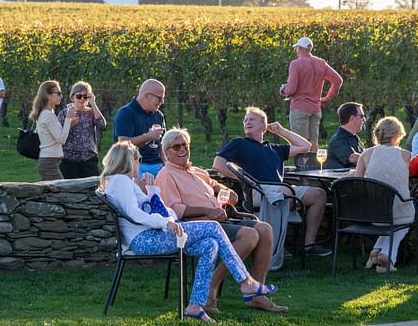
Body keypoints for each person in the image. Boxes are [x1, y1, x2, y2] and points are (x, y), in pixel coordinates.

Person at [100, 141, 280, 323]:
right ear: (128, 160)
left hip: (152, 235)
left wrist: (152, 191)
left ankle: (195, 305)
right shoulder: (121, 181)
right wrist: (165, 222)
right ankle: (246, 282)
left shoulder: (124, 182)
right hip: (144, 240)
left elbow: (158, 210)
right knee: (213, 227)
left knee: (210, 244)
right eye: (139, 159)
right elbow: (135, 214)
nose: (140, 164)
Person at [156, 128, 287, 313]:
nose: (182, 150)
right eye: (176, 147)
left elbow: (214, 185)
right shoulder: (166, 174)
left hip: (220, 220)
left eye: (184, 145)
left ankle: (256, 294)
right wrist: (208, 211)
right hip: (197, 226)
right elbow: (175, 209)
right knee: (249, 235)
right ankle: (211, 289)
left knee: (265, 229)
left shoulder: (196, 171)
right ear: (166, 152)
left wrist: (226, 191)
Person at [212, 106, 332, 256]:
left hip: (280, 189)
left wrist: (281, 131)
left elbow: (305, 146)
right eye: (245, 120)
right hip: (255, 190)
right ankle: (274, 246)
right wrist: (245, 179)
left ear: (263, 126)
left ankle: (308, 245)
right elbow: (218, 164)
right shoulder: (239, 143)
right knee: (285, 192)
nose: (247, 122)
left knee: (319, 194)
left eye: (252, 119)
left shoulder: (274, 148)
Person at [355, 116, 414, 272]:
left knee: (391, 223)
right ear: (397, 136)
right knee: (402, 222)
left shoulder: (366, 154)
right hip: (399, 209)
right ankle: (388, 256)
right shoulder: (406, 155)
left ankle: (376, 251)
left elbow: (357, 183)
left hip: (373, 213)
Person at [279, 37, 343, 151]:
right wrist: (327, 97)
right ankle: (314, 167)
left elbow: (292, 90)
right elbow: (338, 80)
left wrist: (283, 90)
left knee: (300, 145)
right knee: (313, 145)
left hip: (299, 108)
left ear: (299, 48)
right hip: (316, 108)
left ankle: (303, 167)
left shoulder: (296, 64)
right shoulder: (321, 63)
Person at [112, 79, 166, 177]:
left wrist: (166, 164)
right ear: (147, 96)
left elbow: (162, 145)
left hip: (157, 164)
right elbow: (123, 143)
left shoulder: (158, 115)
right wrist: (148, 136)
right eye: (159, 98)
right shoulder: (126, 113)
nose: (162, 102)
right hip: (133, 163)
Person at [56, 81, 107, 179]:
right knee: (69, 189)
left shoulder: (91, 112)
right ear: (72, 97)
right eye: (79, 96)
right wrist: (69, 123)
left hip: (88, 158)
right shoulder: (64, 113)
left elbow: (102, 125)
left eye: (85, 96)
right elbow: (58, 134)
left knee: (90, 189)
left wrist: (93, 103)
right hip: (68, 159)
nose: (82, 99)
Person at [30, 80, 74, 181]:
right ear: (48, 96)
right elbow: (61, 139)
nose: (60, 96)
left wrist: (68, 123)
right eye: (58, 93)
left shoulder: (47, 113)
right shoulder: (48, 115)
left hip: (49, 160)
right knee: (61, 191)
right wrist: (68, 118)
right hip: (49, 161)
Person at [325, 102, 365, 169]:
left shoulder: (354, 137)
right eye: (361, 116)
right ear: (352, 118)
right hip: (339, 178)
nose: (364, 119)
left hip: (352, 177)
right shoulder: (338, 139)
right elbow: (352, 158)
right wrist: (374, 160)